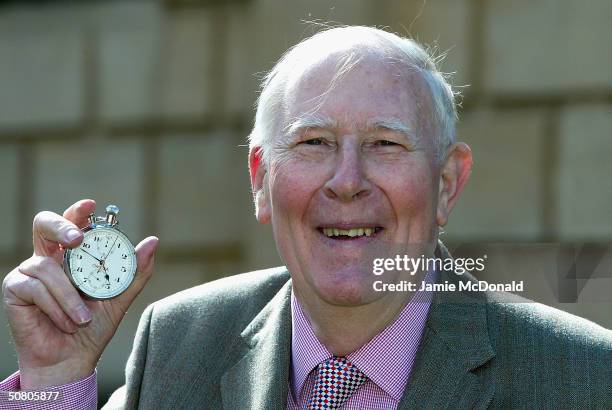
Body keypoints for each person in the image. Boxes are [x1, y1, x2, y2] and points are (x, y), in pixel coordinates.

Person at [1, 26, 610, 410]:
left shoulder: (582, 378)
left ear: (446, 183)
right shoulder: (177, 348)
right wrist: (56, 379)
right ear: (261, 180)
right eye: (313, 143)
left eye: (385, 145)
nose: (346, 182)